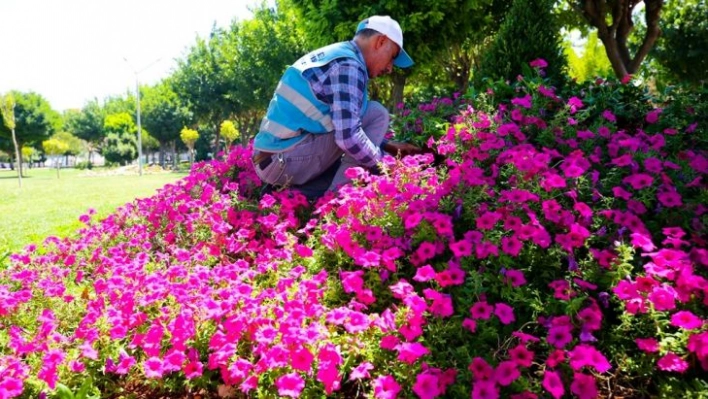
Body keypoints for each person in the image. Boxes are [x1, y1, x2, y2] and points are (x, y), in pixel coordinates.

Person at [252, 15, 421, 199]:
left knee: (350, 166)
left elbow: (335, 124)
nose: (390, 68)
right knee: (375, 114)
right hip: (283, 160)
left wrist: (385, 145)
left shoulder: (338, 55)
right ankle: (336, 203)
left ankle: (286, 195)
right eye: (392, 57)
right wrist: (384, 167)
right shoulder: (349, 65)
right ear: (380, 41)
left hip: (272, 159)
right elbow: (348, 137)